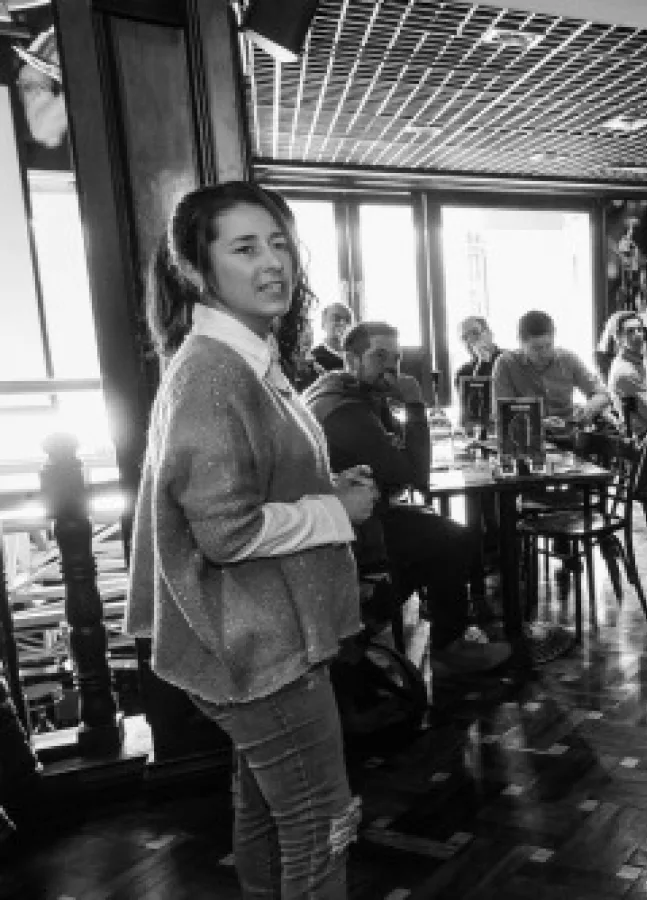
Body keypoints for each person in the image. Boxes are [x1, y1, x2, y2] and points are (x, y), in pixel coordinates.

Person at [129, 181, 375, 898]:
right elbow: (227, 532)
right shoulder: (213, 370)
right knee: (322, 822)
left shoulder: (242, 356)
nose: (272, 263)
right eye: (244, 248)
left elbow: (251, 488)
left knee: (268, 812)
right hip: (256, 642)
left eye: (278, 244)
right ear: (195, 268)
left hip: (253, 634)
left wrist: (323, 487)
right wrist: (337, 512)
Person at [304, 321, 513, 679]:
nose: (391, 368)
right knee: (454, 539)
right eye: (379, 356)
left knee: (438, 535)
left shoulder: (345, 392)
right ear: (351, 359)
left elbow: (399, 455)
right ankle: (440, 647)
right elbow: (415, 475)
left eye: (396, 359)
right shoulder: (346, 412)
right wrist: (416, 403)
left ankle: (367, 635)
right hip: (348, 531)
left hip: (352, 517)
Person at [490, 310, 610, 424]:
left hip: (568, 430)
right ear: (521, 343)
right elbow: (502, 414)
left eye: (549, 345)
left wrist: (590, 406)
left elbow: (603, 394)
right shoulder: (506, 364)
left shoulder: (568, 359)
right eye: (536, 349)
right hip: (526, 433)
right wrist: (539, 423)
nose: (544, 353)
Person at [605, 311, 647, 439]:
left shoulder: (642, 360)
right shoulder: (625, 372)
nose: (637, 335)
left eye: (639, 330)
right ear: (618, 338)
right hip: (644, 438)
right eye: (630, 331)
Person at [454, 315, 500, 381]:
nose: (470, 340)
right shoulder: (463, 373)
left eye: (475, 333)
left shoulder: (511, 360)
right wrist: (482, 363)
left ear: (489, 333)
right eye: (465, 338)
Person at [312, 302, 353, 372]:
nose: (342, 323)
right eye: (336, 318)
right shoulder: (314, 358)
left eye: (347, 320)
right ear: (323, 324)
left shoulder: (357, 357)